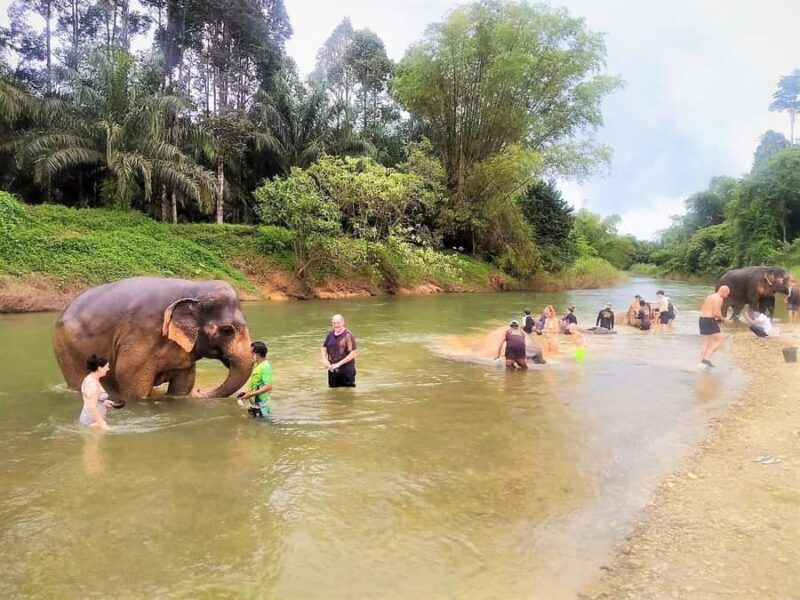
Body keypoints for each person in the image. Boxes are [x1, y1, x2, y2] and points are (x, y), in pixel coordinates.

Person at [79, 355, 116, 430]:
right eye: (106, 367)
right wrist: (102, 424)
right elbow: (91, 406)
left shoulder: (90, 379)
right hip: (92, 420)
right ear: (99, 368)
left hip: (92, 419)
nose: (108, 369)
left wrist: (103, 402)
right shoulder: (93, 384)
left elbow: (89, 399)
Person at [321, 314, 358, 388]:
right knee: (333, 392)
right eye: (334, 323)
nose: (336, 325)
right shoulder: (330, 334)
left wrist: (338, 364)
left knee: (348, 392)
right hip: (332, 369)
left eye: (338, 323)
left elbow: (354, 353)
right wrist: (325, 360)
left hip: (346, 371)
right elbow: (324, 348)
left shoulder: (348, 335)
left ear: (343, 322)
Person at [699, 285, 731, 368]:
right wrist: (725, 320)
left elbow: (704, 309)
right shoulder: (719, 298)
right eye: (727, 294)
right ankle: (706, 359)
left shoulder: (709, 297)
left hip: (702, 319)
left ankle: (702, 363)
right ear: (724, 291)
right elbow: (716, 313)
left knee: (706, 342)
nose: (727, 296)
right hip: (710, 320)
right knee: (720, 340)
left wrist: (718, 319)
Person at [239, 341, 273, 418]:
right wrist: (246, 393)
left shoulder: (265, 367)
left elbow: (268, 387)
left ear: (257, 354)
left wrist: (250, 394)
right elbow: (256, 384)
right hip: (255, 404)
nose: (250, 354)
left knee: (263, 423)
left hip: (262, 405)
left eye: (252, 352)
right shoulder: (258, 366)